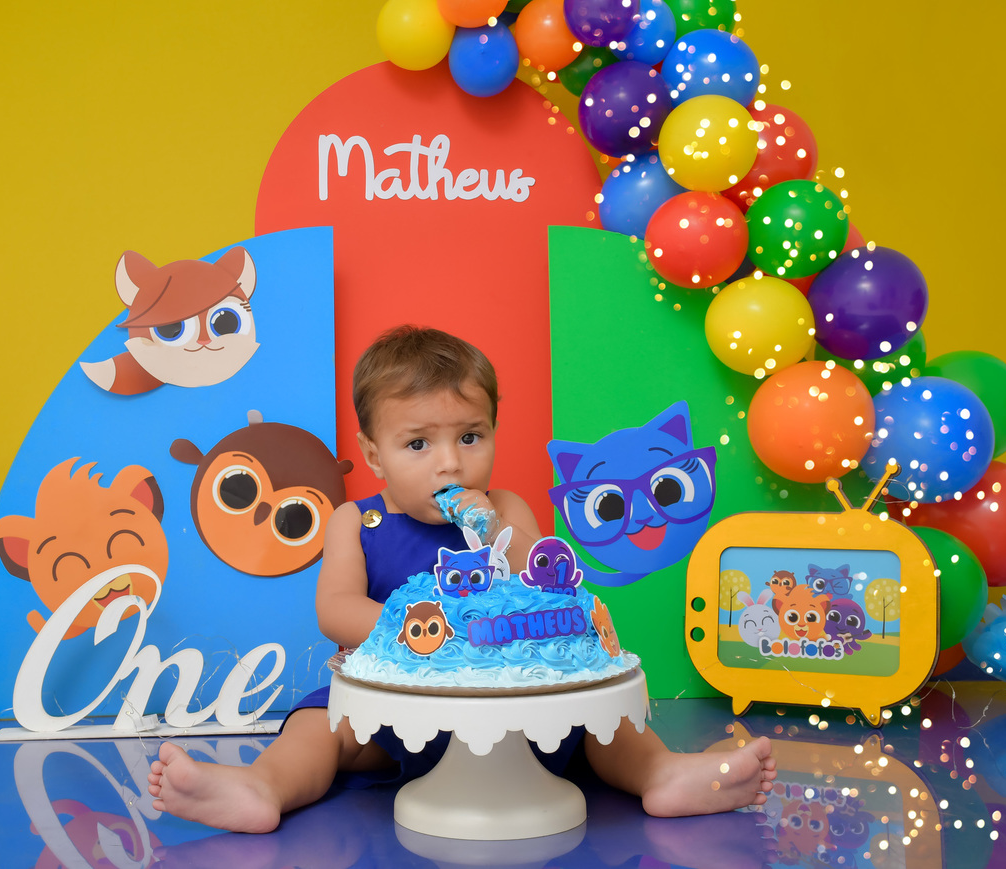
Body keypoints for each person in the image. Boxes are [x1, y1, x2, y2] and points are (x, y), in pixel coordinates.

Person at [148, 325, 776, 833]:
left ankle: (663, 775)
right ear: (374, 455)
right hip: (394, 717)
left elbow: (549, 582)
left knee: (606, 726)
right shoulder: (355, 521)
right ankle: (262, 787)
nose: (450, 463)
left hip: (521, 716)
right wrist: (430, 635)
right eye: (418, 444)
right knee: (318, 727)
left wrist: (494, 530)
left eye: (471, 436)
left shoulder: (506, 508)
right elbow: (335, 609)